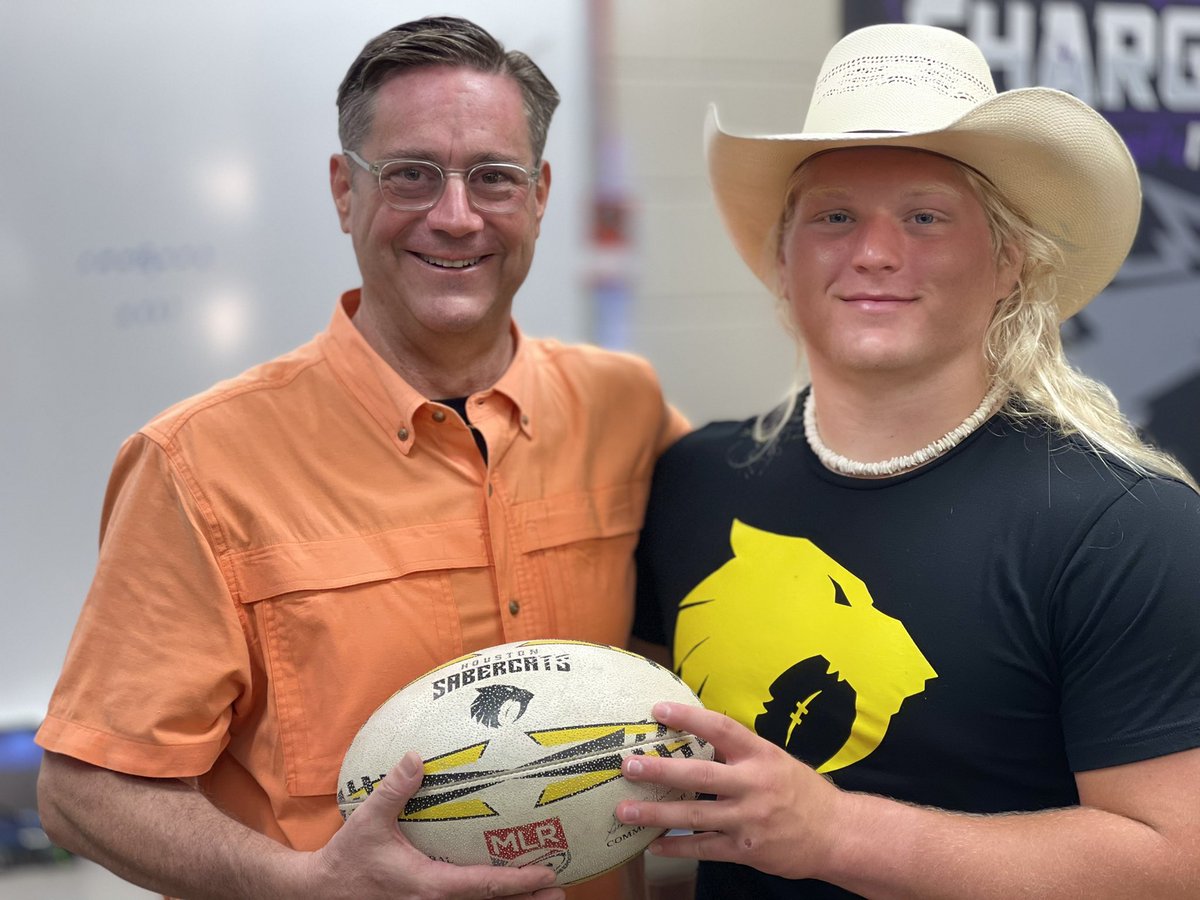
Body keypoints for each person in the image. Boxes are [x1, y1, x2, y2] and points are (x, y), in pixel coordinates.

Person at [35, 15, 685, 900]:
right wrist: (304, 886)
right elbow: (84, 793)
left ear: (538, 196)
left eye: (493, 178)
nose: (456, 218)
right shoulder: (199, 464)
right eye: (412, 175)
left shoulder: (626, 407)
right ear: (345, 191)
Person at [622, 23, 1200, 899]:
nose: (875, 253)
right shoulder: (697, 480)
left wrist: (836, 833)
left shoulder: (1126, 523)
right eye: (835, 216)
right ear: (784, 257)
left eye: (925, 217)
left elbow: (1174, 859)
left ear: (1009, 260)